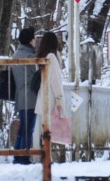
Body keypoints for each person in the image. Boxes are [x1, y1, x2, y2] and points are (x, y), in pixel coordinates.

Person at [32, 31, 69, 158]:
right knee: (51, 130)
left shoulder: (42, 56)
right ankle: (47, 158)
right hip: (51, 97)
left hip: (43, 96)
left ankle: (45, 157)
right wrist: (59, 97)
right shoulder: (52, 57)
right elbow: (55, 80)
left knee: (46, 129)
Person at [11, 27, 41, 164]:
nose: (35, 41)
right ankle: (23, 157)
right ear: (30, 40)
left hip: (20, 95)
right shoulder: (30, 57)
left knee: (23, 128)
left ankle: (18, 155)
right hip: (31, 96)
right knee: (28, 128)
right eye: (34, 38)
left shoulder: (16, 54)